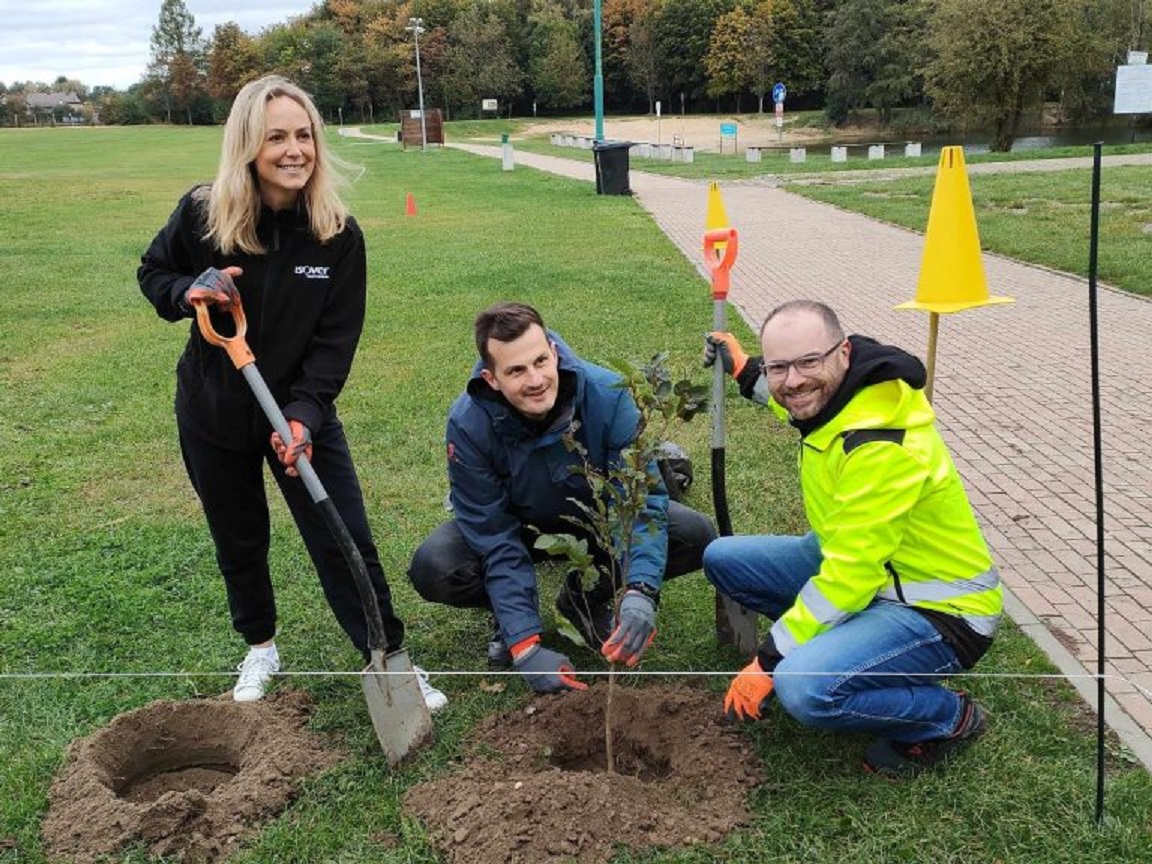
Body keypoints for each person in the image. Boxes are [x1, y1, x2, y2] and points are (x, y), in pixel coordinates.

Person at [138, 75, 446, 711]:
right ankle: (260, 646)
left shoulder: (337, 234)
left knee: (344, 536)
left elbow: (335, 343)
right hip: (215, 410)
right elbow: (154, 272)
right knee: (238, 534)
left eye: (303, 135)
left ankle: (388, 657)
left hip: (300, 413)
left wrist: (303, 417)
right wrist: (186, 291)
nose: (294, 149)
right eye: (276, 136)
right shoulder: (203, 213)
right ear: (248, 145)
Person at [702, 300, 1002, 778]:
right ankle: (840, 648)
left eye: (808, 362)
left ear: (842, 353)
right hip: (872, 575)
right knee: (723, 557)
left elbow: (850, 576)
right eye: (780, 366)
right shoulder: (841, 396)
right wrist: (745, 370)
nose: (793, 380)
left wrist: (770, 659)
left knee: (801, 687)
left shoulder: (881, 443)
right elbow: (796, 405)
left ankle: (946, 718)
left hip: (937, 613)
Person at [408, 302, 717, 693]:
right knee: (435, 566)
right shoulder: (469, 424)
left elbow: (640, 503)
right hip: (520, 526)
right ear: (491, 378)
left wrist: (641, 588)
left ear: (554, 352)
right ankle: (509, 617)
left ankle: (585, 598)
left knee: (694, 533)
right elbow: (493, 535)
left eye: (541, 361)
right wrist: (523, 644)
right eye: (516, 370)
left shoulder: (607, 394)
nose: (536, 379)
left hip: (595, 520)